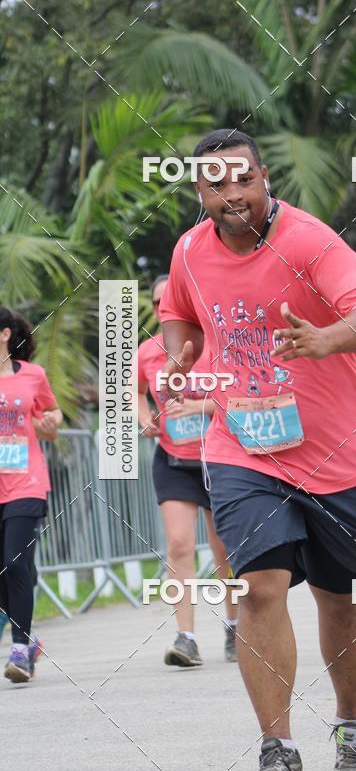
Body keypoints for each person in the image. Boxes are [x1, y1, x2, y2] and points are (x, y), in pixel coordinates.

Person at [159, 128, 356, 771]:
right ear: (199, 191)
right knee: (258, 587)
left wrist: (325, 339)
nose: (233, 193)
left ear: (265, 179)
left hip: (339, 453)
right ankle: (279, 750)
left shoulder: (309, 240)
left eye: (245, 179)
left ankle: (352, 725)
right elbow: (179, 313)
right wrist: (180, 353)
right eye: (217, 184)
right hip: (243, 445)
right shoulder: (189, 251)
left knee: (338, 595)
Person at [137, 276, 238, 665]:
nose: (164, 307)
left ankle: (235, 626)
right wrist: (144, 419)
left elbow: (235, 395)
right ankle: (186, 638)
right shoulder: (147, 352)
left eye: (170, 299)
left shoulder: (214, 346)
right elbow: (132, 393)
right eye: (157, 302)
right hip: (174, 460)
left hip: (219, 457)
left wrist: (197, 407)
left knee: (224, 548)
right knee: (179, 544)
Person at [0, 307, 61, 682]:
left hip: (26, 480)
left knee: (15, 562)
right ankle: (30, 639)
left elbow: (51, 418)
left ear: (5, 334)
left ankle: (20, 649)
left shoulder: (32, 375)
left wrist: (51, 421)